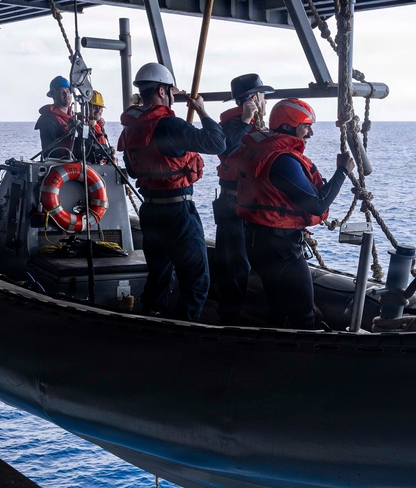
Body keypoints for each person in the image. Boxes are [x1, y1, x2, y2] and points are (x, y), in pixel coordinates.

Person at [117, 62, 226, 321]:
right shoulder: (170, 125)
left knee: (159, 275)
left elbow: (133, 172)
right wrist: (201, 111)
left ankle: (152, 322)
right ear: (163, 91)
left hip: (151, 211)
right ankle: (182, 332)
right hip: (178, 211)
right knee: (197, 281)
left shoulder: (132, 127)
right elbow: (217, 143)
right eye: (171, 94)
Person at [233, 98, 353, 329]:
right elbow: (317, 206)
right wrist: (342, 172)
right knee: (304, 314)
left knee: (277, 309)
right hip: (280, 249)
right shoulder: (282, 161)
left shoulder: (265, 151)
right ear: (289, 126)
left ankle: (269, 354)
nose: (310, 133)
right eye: (306, 126)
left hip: (260, 241)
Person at [213, 73, 274, 324]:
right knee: (235, 267)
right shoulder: (232, 126)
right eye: (262, 96)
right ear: (252, 99)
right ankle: (229, 321)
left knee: (254, 262)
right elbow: (226, 151)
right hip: (233, 206)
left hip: (252, 206)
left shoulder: (256, 128)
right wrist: (246, 120)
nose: (265, 102)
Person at [35, 76, 78, 159]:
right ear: (53, 95)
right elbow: (50, 153)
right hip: (61, 166)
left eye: (68, 91)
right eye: (62, 92)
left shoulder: (74, 117)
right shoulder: (48, 119)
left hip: (76, 164)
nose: (66, 94)